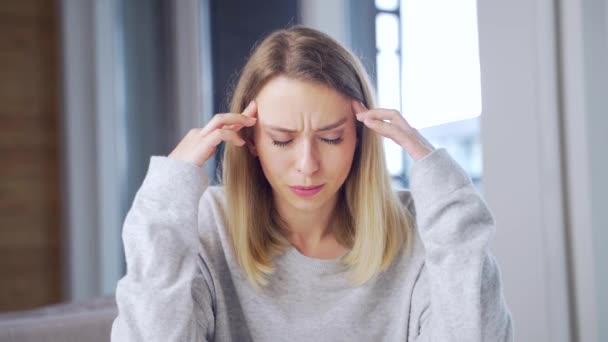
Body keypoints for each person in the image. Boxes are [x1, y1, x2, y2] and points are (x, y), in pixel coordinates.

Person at [111, 26, 513, 341]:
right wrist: (167, 194)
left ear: (361, 136)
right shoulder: (206, 225)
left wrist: (435, 171)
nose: (307, 165)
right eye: (282, 140)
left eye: (331, 137)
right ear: (250, 140)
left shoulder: (423, 231)